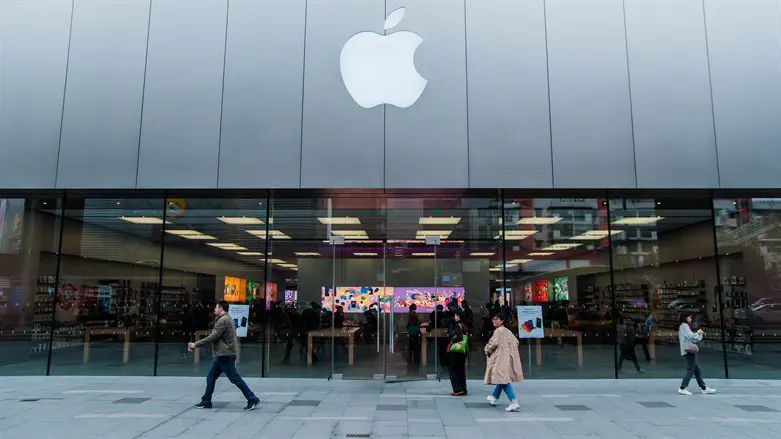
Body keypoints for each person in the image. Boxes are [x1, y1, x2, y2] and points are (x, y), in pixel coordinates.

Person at [188, 301, 260, 410]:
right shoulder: (228, 318)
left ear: (221, 308)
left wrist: (195, 344)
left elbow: (213, 337)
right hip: (223, 354)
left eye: (216, 307)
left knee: (235, 378)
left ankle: (252, 398)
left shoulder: (222, 321)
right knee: (211, 377)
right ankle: (206, 401)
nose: (214, 309)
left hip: (224, 355)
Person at [484, 312, 523, 412]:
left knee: (503, 380)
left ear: (502, 321)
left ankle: (514, 401)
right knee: (502, 378)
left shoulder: (498, 331)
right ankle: (494, 397)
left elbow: (493, 343)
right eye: (493, 319)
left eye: (496, 319)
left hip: (500, 358)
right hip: (507, 358)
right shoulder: (507, 331)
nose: (494, 321)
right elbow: (516, 342)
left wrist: (487, 349)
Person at [678, 312, 716, 395]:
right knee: (691, 369)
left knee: (697, 370)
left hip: (687, 350)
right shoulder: (684, 325)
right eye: (689, 317)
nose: (691, 319)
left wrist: (698, 334)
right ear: (685, 317)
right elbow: (690, 336)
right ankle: (683, 387)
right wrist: (698, 332)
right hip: (688, 350)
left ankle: (703, 387)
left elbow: (692, 338)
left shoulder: (683, 326)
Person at [448, 311, 469, 396]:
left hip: (457, 351)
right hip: (463, 351)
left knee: (452, 369)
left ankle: (457, 389)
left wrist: (452, 340)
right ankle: (463, 389)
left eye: (456, 315)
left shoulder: (458, 326)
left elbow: (458, 337)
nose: (455, 316)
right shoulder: (465, 326)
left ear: (459, 317)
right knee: (461, 370)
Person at [407, 304, 421, 369]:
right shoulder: (413, 314)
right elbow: (416, 321)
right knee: (415, 348)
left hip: (411, 331)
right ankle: (416, 361)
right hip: (414, 330)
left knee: (411, 347)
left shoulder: (410, 313)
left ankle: (411, 361)